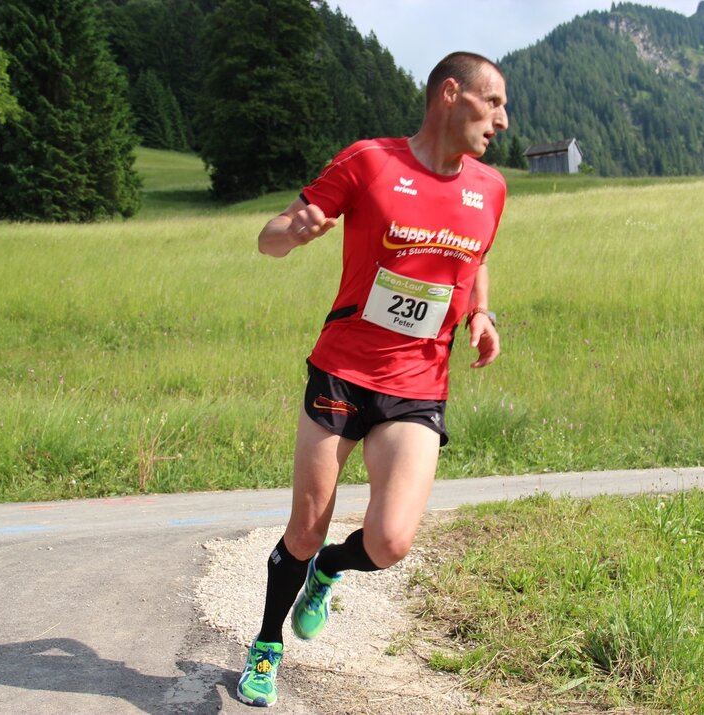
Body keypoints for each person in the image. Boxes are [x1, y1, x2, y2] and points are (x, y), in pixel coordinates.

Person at [237, 51, 509, 708]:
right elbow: (269, 239)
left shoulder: (490, 188)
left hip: (417, 384)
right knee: (304, 527)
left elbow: (474, 261)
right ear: (451, 94)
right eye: (492, 102)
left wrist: (480, 312)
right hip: (342, 372)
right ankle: (267, 643)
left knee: (389, 541)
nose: (501, 119)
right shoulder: (369, 162)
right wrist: (292, 230)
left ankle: (331, 569)